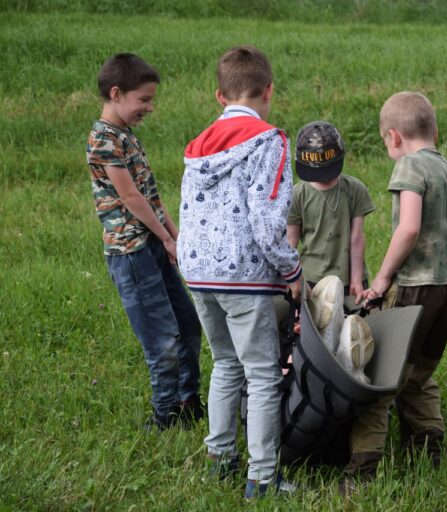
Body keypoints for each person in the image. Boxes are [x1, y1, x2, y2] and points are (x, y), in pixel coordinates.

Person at [177, 46, 302, 499]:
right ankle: (263, 478)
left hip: (199, 273)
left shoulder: (198, 145)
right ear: (269, 90)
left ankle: (220, 458)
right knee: (263, 375)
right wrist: (293, 268)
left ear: (218, 95)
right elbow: (268, 223)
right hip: (244, 278)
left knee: (225, 364)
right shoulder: (270, 140)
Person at [344, 91, 447, 491]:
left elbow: (409, 228)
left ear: (394, 137)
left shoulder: (409, 166)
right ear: (434, 131)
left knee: (381, 379)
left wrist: (382, 279)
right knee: (418, 374)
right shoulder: (445, 168)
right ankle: (427, 451)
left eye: (386, 144)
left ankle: (361, 472)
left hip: (418, 286)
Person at [86, 53, 204, 431]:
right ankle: (164, 416)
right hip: (131, 253)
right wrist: (164, 239)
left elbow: (150, 196)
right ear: (117, 93)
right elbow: (131, 199)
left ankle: (189, 401)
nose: (149, 107)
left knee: (187, 323)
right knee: (162, 340)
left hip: (152, 243)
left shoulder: (125, 135)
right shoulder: (103, 139)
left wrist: (174, 236)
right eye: (144, 99)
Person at [287, 121, 375, 298]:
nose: (324, 178)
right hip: (312, 281)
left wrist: (357, 279)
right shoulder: (297, 195)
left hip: (349, 281)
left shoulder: (355, 190)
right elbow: (290, 242)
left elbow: (357, 237)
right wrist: (291, 278)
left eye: (329, 171)